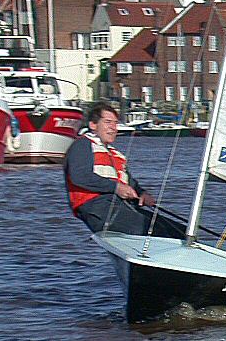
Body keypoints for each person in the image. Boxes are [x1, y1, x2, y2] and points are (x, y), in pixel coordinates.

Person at [64, 101, 185, 238]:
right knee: (150, 230)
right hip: (96, 206)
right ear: (93, 125)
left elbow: (129, 182)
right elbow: (80, 176)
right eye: (108, 122)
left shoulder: (115, 154)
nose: (113, 128)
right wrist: (116, 188)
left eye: (115, 123)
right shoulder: (82, 145)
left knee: (180, 232)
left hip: (121, 205)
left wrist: (142, 193)